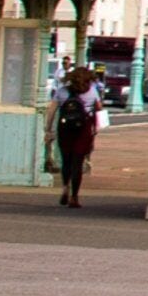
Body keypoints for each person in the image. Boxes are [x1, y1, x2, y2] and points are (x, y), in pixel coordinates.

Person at [52, 64, 104, 207]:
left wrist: (48, 130)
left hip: (65, 129)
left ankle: (65, 188)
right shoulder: (92, 92)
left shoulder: (62, 91)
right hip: (83, 130)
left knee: (66, 161)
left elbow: (52, 110)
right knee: (77, 163)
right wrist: (96, 127)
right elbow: (99, 109)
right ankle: (74, 197)